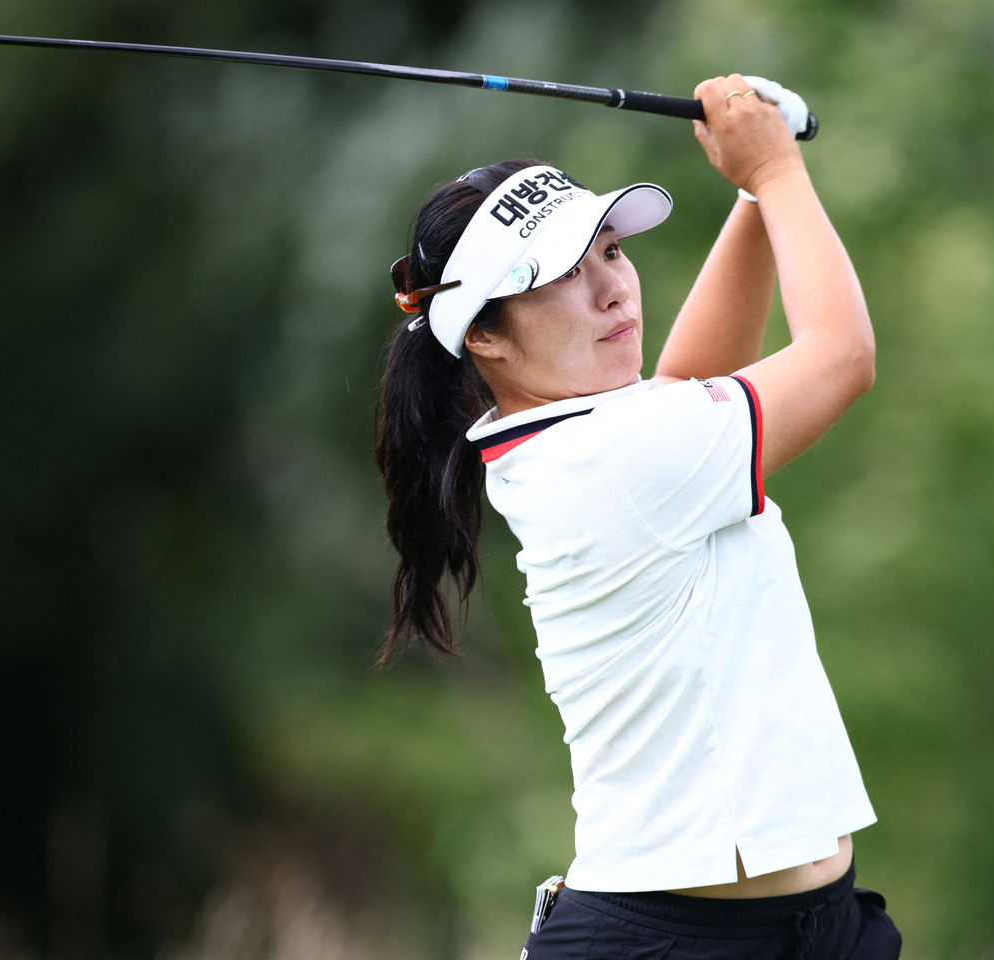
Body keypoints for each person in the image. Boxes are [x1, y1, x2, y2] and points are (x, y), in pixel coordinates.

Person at [376, 72, 901, 960]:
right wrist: (776, 175)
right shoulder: (613, 459)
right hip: (676, 942)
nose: (613, 291)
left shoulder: (588, 439)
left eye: (609, 253)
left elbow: (685, 387)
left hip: (819, 930)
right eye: (560, 279)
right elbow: (842, 357)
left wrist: (754, 191)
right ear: (485, 338)